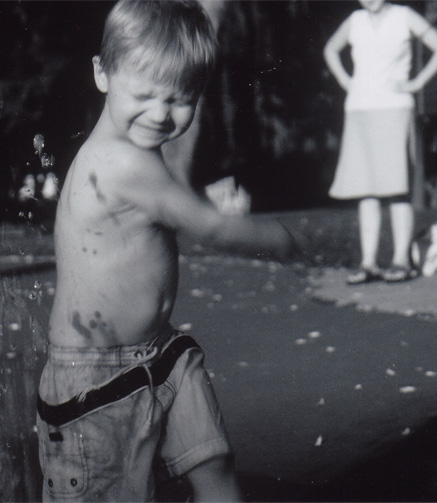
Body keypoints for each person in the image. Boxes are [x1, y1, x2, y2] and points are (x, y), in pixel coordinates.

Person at [36, 1, 298, 500]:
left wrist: (203, 203)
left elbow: (165, 209)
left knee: (213, 462)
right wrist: (281, 240)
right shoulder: (121, 163)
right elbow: (210, 230)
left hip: (159, 351)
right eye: (145, 94)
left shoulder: (138, 158)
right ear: (102, 74)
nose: (160, 113)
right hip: (97, 376)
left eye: (181, 99)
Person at [323, 0, 437, 284]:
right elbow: (330, 49)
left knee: (396, 187)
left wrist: (416, 84)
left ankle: (401, 261)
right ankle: (368, 263)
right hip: (358, 108)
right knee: (365, 189)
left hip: (394, 107)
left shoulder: (404, 16)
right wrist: (346, 81)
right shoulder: (355, 20)